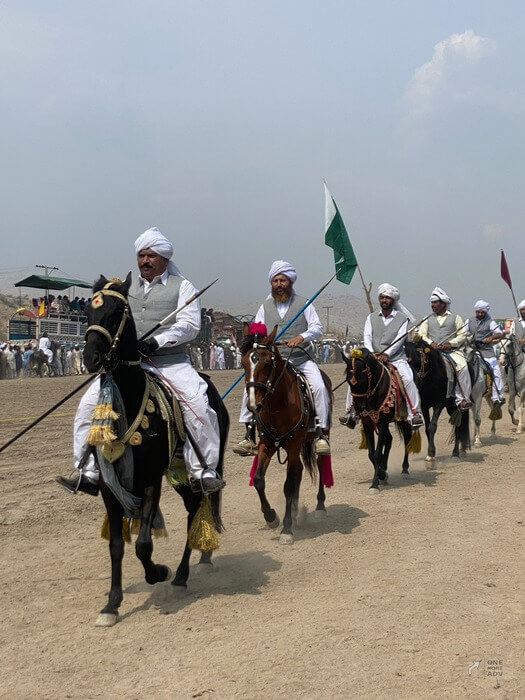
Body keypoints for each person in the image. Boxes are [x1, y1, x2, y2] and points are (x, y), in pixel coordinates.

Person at [56, 226, 225, 496]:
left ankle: (202, 471)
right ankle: (87, 471)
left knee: (198, 407)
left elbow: (190, 325)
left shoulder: (183, 287)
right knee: (86, 407)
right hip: (130, 365)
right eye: (141, 255)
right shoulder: (124, 288)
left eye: (151, 256)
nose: (145, 261)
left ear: (165, 259)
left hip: (171, 363)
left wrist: (157, 341)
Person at [234, 260, 331, 456]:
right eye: (276, 280)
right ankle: (249, 434)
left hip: (300, 359)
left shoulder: (303, 303)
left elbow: (317, 327)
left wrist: (301, 337)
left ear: (290, 282)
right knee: (251, 387)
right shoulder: (265, 306)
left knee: (320, 387)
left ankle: (321, 433)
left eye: (283, 280)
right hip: (273, 360)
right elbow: (258, 330)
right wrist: (259, 341)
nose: (279, 284)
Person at [342, 284, 423, 428]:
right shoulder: (371, 317)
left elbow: (399, 339)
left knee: (408, 379)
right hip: (372, 358)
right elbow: (367, 335)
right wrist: (371, 352)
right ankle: (350, 414)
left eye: (387, 297)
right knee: (354, 379)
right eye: (382, 297)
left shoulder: (403, 319)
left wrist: (387, 354)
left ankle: (414, 414)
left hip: (396, 359)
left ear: (393, 300)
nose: (384, 300)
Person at [418, 287, 472, 410]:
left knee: (463, 368)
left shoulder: (455, 318)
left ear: (443, 304)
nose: (432, 305)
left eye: (435, 302)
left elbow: (462, 335)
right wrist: (431, 343)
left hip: (451, 352)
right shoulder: (427, 319)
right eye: (432, 303)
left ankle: (462, 399)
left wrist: (451, 343)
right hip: (431, 352)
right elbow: (422, 334)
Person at [466, 300, 505, 406]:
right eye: (478, 312)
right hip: (472, 350)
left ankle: (498, 397)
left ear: (485, 312)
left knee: (496, 372)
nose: (479, 314)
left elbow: (499, 333)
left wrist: (490, 337)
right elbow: (464, 333)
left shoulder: (490, 321)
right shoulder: (469, 321)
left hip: (486, 352)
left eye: (482, 312)